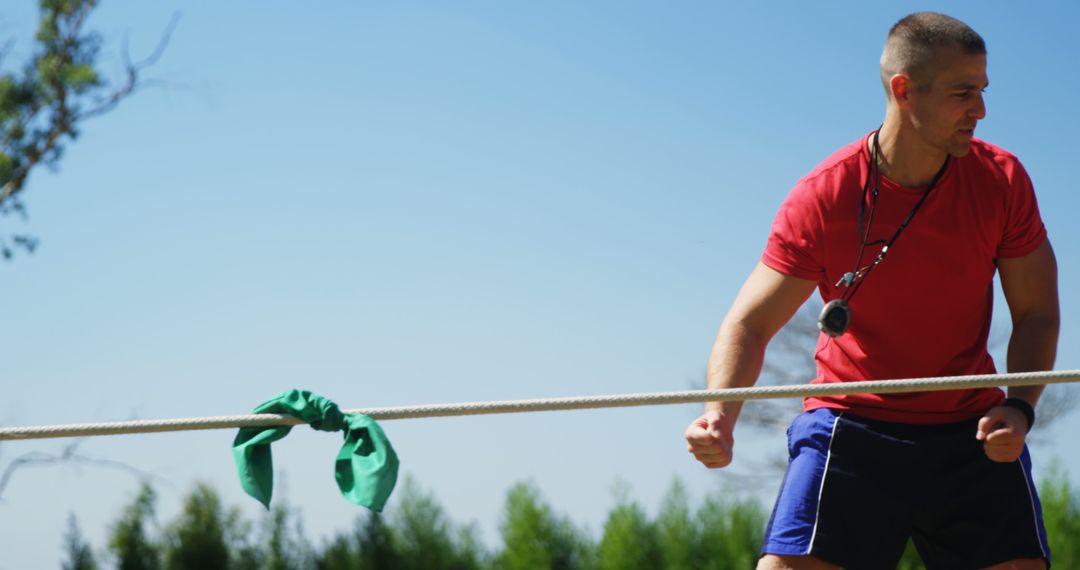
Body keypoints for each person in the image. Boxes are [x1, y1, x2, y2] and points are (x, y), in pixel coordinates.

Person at [685, 12, 1059, 570]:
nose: (980, 110)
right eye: (963, 93)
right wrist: (720, 413)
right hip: (849, 427)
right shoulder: (821, 197)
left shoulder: (1003, 180)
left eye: (982, 91)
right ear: (904, 90)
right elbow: (750, 324)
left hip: (973, 430)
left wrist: (1020, 408)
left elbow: (1036, 313)